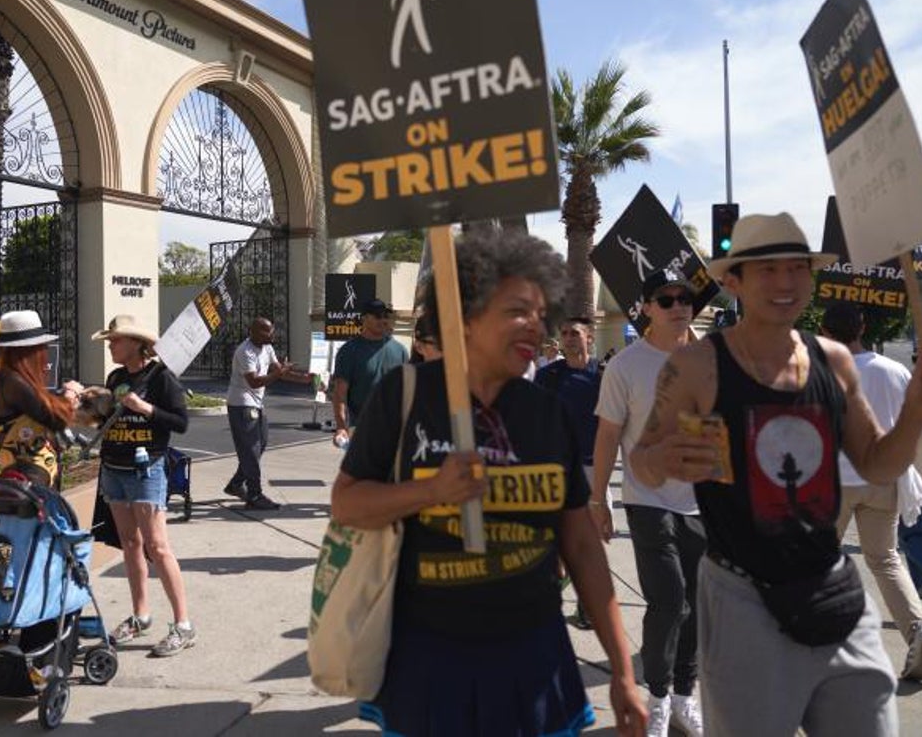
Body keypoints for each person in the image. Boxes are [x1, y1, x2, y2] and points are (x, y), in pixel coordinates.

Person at [331, 229, 646, 736]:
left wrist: (623, 671)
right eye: (518, 310)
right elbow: (347, 505)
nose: (536, 327)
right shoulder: (405, 396)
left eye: (541, 314)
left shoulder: (547, 412)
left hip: (535, 658)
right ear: (467, 314)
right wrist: (431, 491)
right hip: (430, 659)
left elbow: (583, 547)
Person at [632, 212, 922, 735]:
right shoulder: (698, 366)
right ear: (733, 282)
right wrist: (664, 459)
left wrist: (917, 406)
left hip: (832, 587)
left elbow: (879, 462)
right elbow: (643, 462)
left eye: (797, 268)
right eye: (766, 270)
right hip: (742, 597)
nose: (785, 282)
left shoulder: (833, 360)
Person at [591, 269, 705, 737]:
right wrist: (598, 498)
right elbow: (607, 436)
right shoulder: (625, 366)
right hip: (647, 499)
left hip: (701, 503)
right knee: (670, 598)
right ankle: (657, 697)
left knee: (696, 603)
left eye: (685, 298)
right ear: (646, 308)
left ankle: (683, 696)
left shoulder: (707, 360)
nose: (678, 305)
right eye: (666, 298)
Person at [820, 302, 922, 679]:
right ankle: (918, 628)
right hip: (883, 477)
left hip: (835, 479)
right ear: (862, 327)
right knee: (885, 559)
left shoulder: (823, 371)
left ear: (826, 332)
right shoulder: (894, 369)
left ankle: (825, 642)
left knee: (820, 562)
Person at [82, 314, 196, 658]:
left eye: (115, 341)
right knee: (130, 543)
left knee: (157, 547)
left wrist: (144, 407)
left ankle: (183, 625)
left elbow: (181, 423)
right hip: (114, 468)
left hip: (147, 470)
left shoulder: (161, 378)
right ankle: (140, 615)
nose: (111, 346)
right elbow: (107, 419)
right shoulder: (116, 377)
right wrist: (91, 402)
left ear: (135, 343)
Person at [535, 315, 603, 632]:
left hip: (593, 469)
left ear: (590, 337)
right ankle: (552, 599)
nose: (569, 338)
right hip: (555, 467)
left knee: (591, 543)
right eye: (564, 333)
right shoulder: (547, 375)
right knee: (556, 539)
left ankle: (586, 606)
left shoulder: (604, 376)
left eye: (575, 332)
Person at [0, 309, 77, 488]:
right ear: (31, 350)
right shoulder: (12, 382)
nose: (45, 351)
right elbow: (55, 419)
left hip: (33, 479)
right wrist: (71, 395)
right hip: (30, 483)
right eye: (41, 346)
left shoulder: (11, 378)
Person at [224, 317, 311, 510]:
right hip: (241, 404)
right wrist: (278, 374)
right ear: (253, 331)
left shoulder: (267, 348)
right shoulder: (245, 352)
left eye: (271, 331)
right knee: (251, 450)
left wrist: (306, 379)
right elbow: (254, 382)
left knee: (260, 445)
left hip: (256, 404)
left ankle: (236, 484)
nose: (271, 335)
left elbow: (281, 371)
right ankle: (254, 495)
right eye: (266, 331)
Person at [330, 297, 408, 445]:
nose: (383, 320)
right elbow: (340, 395)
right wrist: (341, 427)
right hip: (361, 431)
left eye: (386, 316)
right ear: (364, 318)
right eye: (377, 316)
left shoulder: (400, 351)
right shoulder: (349, 351)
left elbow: (407, 392)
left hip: (395, 431)